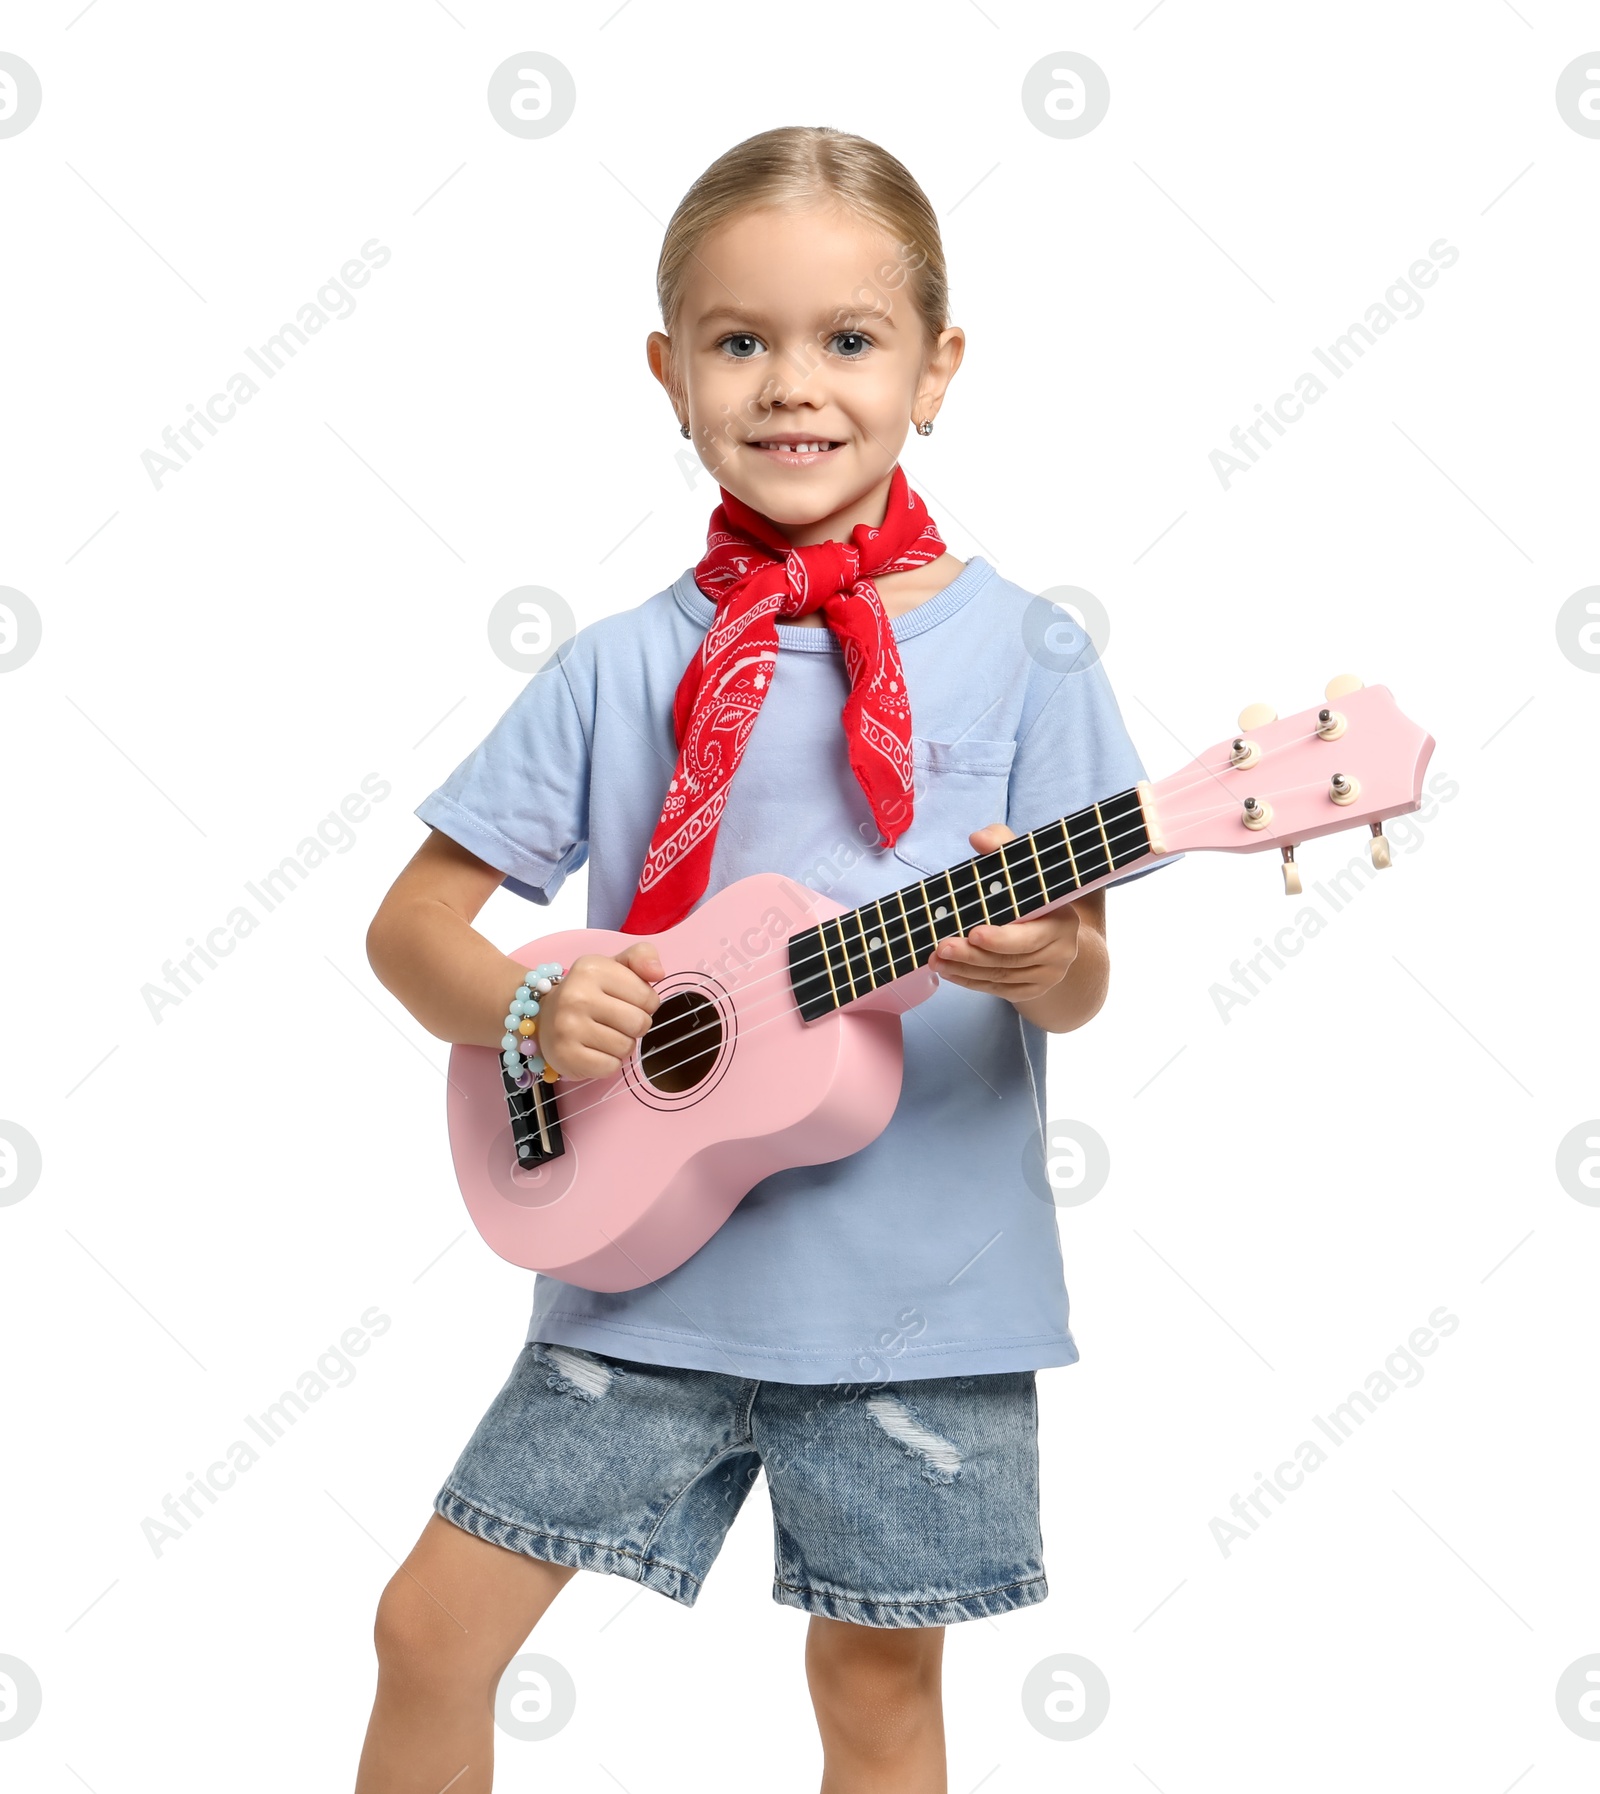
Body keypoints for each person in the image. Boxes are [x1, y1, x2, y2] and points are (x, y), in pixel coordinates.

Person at [355, 124, 1163, 1794]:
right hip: (638, 1280)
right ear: (669, 371)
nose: (793, 387)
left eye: (850, 341)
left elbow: (1082, 977)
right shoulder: (618, 665)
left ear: (938, 369)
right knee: (431, 1630)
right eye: (741, 341)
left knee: (874, 1697)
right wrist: (527, 998)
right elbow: (412, 928)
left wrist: (1035, 966)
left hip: (915, 1308)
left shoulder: (1028, 653)